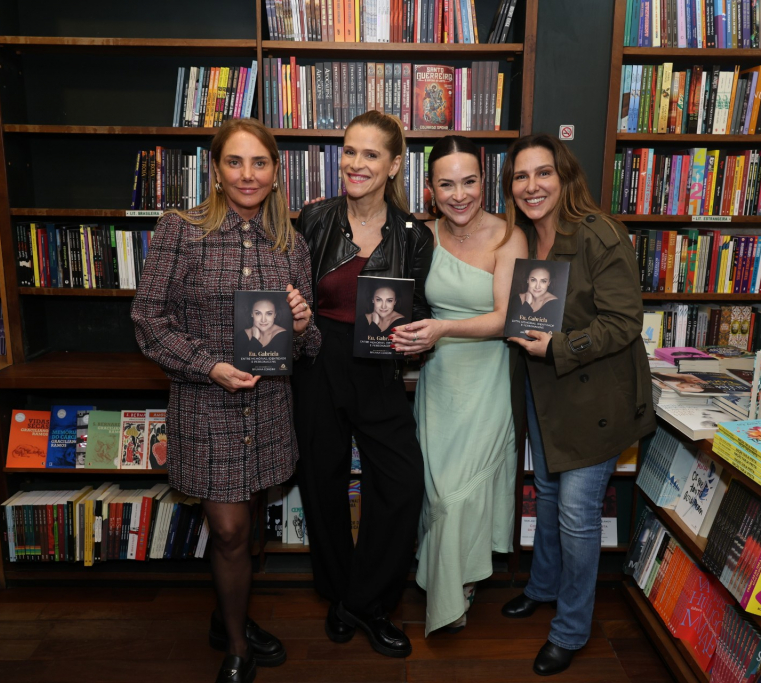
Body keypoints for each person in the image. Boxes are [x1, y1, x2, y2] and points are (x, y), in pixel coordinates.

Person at [131, 119, 318, 683]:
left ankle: (227, 615)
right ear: (216, 170)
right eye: (235, 162)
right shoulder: (179, 231)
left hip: (268, 409)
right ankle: (237, 646)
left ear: (275, 172)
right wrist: (207, 365)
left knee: (252, 523)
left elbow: (308, 346)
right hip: (205, 405)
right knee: (231, 530)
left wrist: (306, 324)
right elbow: (147, 319)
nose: (247, 174)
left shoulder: (291, 242)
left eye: (259, 163)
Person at [499, 133, 655, 677]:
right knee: (543, 492)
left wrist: (559, 346)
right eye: (521, 176)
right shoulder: (524, 239)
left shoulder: (600, 234)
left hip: (595, 399)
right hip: (545, 394)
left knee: (576, 513)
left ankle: (570, 629)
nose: (532, 185)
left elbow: (623, 323)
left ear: (565, 177)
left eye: (543, 173)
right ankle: (542, 588)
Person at [292, 110, 433, 659]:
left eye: (371, 154)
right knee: (321, 481)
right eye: (349, 151)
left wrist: (417, 332)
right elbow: (290, 290)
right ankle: (339, 594)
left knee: (400, 484)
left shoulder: (413, 235)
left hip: (378, 366)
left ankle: (368, 600)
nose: (356, 163)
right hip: (317, 360)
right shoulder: (313, 220)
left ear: (395, 164)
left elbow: (418, 303)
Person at [391, 135, 527, 635]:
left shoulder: (508, 235)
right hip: (438, 378)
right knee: (433, 489)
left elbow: (505, 318)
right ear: (429, 190)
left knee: (457, 495)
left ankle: (454, 590)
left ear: (484, 181)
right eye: (446, 184)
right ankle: (450, 582)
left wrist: (442, 328)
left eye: (469, 181)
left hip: (488, 376)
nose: (459, 194)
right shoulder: (419, 233)